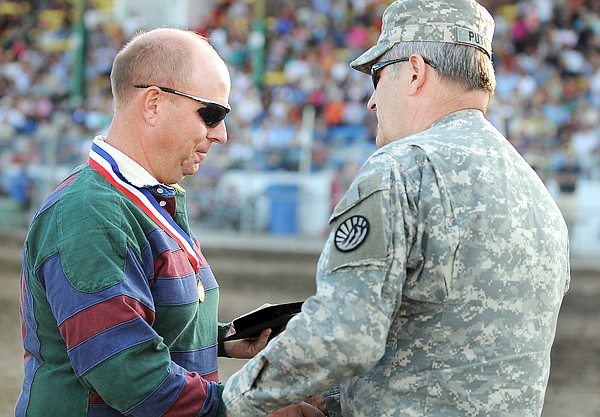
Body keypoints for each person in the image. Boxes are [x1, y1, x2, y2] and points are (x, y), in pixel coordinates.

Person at [223, 0, 571, 416]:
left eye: (377, 75)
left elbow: (343, 336)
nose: (371, 102)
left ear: (416, 71)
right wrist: (326, 400)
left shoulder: (402, 168)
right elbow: (450, 356)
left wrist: (233, 401)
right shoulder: (535, 192)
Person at [15, 28, 318, 417]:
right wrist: (246, 408)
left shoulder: (148, 198)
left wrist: (223, 337)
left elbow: (142, 319)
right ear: (154, 103)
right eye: (211, 114)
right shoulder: (88, 213)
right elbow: (129, 374)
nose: (222, 135)